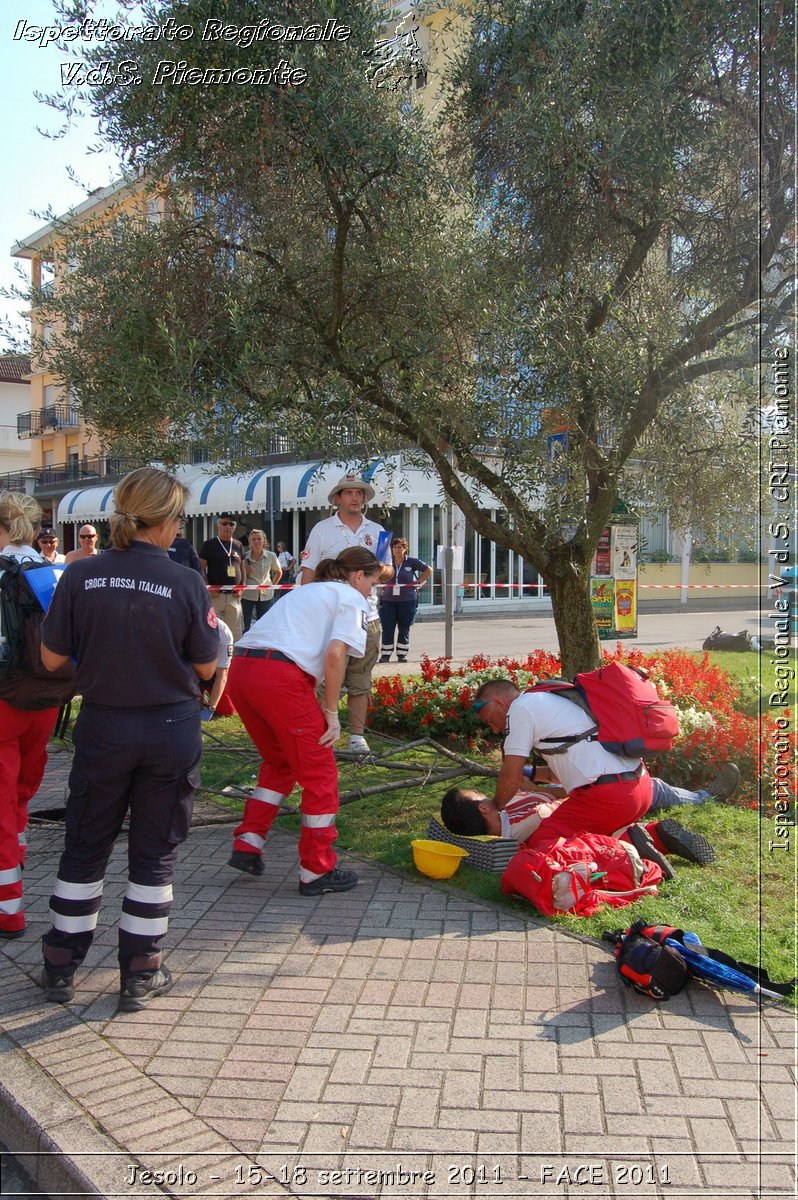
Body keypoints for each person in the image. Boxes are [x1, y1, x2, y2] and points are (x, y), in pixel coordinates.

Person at [39, 467, 219, 1012]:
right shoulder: (185, 580)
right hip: (169, 728)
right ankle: (141, 971)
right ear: (164, 521)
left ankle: (60, 967)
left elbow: (50, 658)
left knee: (85, 845)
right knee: (154, 852)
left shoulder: (80, 575)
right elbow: (208, 666)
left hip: (103, 727)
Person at [226, 546, 383, 895]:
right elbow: (335, 654)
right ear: (358, 576)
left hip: (243, 669)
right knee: (320, 772)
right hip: (279, 677)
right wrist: (331, 715)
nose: (372, 592)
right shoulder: (352, 597)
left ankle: (249, 842)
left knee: (280, 763)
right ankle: (316, 869)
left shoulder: (310, 590)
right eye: (372, 583)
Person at [470, 677, 713, 860]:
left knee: (542, 844)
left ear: (499, 702)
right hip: (639, 787)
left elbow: (509, 777)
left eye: (489, 720)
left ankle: (632, 847)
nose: (493, 729)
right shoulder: (548, 699)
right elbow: (560, 772)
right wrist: (532, 775)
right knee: (585, 831)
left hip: (608, 797)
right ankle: (656, 836)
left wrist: (496, 809)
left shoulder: (520, 709)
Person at [0, 494, 72, 939]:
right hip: (47, 698)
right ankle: (17, 857)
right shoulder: (56, 573)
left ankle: (9, 910)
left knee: (2, 806)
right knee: (23, 791)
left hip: (4, 699)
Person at [440, 781, 721, 875]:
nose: (484, 793)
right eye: (478, 794)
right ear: (483, 808)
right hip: (575, 810)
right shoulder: (511, 812)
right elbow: (540, 811)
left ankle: (651, 836)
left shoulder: (501, 832)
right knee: (648, 788)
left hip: (570, 821)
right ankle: (654, 836)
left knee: (600, 843)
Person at [300, 475, 392, 754]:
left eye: (359, 493)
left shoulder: (377, 530)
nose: (354, 498)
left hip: (368, 616)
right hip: (329, 617)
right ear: (337, 498)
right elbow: (307, 573)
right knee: (323, 678)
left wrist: (376, 568)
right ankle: (321, 732)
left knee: (360, 680)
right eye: (348, 493)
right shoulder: (322, 529)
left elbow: (387, 572)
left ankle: (356, 737)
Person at [378, 537, 432, 663]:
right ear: (391, 549)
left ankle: (402, 654)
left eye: (400, 547)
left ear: (405, 549)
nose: (397, 550)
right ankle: (385, 654)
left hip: (407, 600)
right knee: (387, 627)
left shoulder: (411, 562)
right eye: (395, 547)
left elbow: (428, 569)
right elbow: (378, 574)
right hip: (388, 600)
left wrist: (418, 581)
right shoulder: (387, 562)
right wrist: (381, 583)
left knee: (404, 627)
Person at [198, 513, 245, 641]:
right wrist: (208, 588)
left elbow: (242, 568)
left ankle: (234, 659)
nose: (228, 527)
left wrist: (242, 587)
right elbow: (201, 568)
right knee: (213, 631)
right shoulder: (209, 544)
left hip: (233, 597)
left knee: (235, 633)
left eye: (231, 524)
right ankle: (214, 658)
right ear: (218, 525)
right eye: (224, 523)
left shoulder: (238, 545)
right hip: (216, 596)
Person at [241, 530, 282, 632]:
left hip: (266, 594)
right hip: (248, 594)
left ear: (264, 541)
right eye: (253, 539)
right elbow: (239, 575)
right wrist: (246, 571)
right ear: (250, 542)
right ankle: (245, 646)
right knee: (244, 623)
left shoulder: (271, 555)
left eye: (259, 539)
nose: (256, 541)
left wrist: (272, 586)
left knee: (264, 623)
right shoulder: (244, 556)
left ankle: (261, 646)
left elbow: (278, 572)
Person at [200, 619, 236, 719]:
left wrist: (211, 708)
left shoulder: (224, 634)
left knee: (226, 711)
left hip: (214, 673)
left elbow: (222, 676)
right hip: (191, 673)